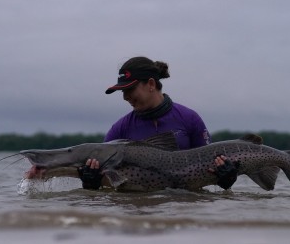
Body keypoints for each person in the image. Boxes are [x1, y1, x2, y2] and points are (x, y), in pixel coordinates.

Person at [78, 56, 239, 190]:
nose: (125, 97)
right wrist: (91, 183)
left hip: (184, 212)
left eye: (130, 89)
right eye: (122, 91)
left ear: (151, 84)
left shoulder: (190, 119)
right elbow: (106, 186)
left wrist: (227, 178)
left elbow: (211, 166)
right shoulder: (119, 129)